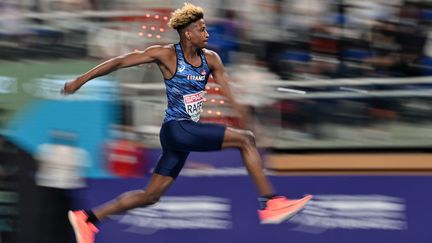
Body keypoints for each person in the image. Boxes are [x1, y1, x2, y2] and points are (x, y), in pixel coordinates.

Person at [63, 3, 312, 243]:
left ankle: (89, 219)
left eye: (206, 28)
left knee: (151, 196)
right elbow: (118, 62)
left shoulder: (212, 59)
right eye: (202, 29)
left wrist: (252, 126)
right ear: (187, 33)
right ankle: (269, 201)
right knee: (244, 140)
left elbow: (231, 96)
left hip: (182, 135)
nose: (207, 33)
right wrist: (80, 81)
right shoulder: (166, 54)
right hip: (175, 129)